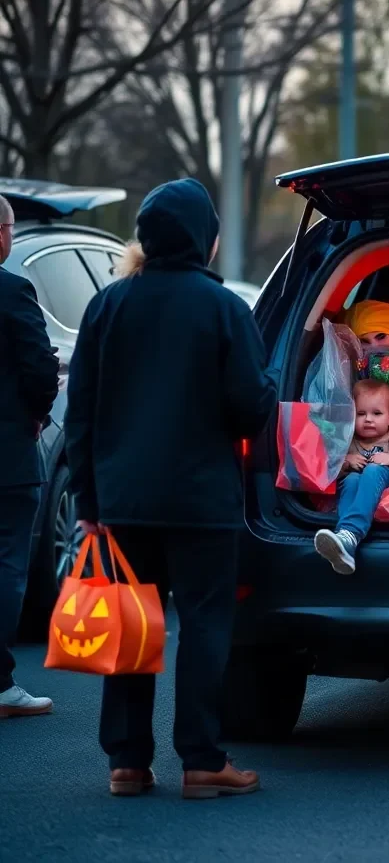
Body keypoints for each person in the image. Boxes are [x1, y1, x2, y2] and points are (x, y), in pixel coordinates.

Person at [65, 179, 277, 800]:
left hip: (123, 500)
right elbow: (249, 406)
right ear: (205, 241)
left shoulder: (107, 306)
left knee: (132, 625)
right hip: (201, 499)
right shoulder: (223, 310)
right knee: (206, 625)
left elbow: (81, 413)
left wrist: (88, 504)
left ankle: (127, 763)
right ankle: (203, 760)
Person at [0, 195, 60, 719]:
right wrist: (36, 414)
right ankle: (0, 683)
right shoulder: (13, 289)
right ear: (1, 235)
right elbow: (41, 368)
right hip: (7, 455)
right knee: (6, 566)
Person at [314, 379, 389, 574]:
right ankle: (345, 541)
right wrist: (346, 461)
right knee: (352, 479)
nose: (368, 419)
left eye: (377, 413)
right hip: (363, 493)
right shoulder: (349, 440)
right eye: (361, 414)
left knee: (372, 470)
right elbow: (328, 472)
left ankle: (350, 533)